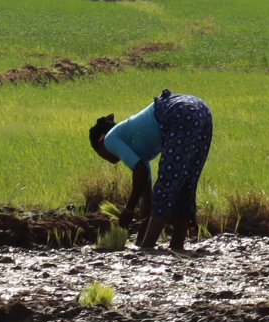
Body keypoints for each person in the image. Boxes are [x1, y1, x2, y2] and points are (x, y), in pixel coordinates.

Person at [88, 89, 213, 252]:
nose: (108, 159)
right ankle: (176, 246)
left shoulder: (111, 139)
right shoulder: (137, 148)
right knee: (186, 184)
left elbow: (140, 172)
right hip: (202, 109)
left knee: (166, 185)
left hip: (178, 111)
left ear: (101, 141)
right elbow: (146, 196)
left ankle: (147, 248)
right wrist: (137, 240)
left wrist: (128, 210)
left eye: (100, 153)